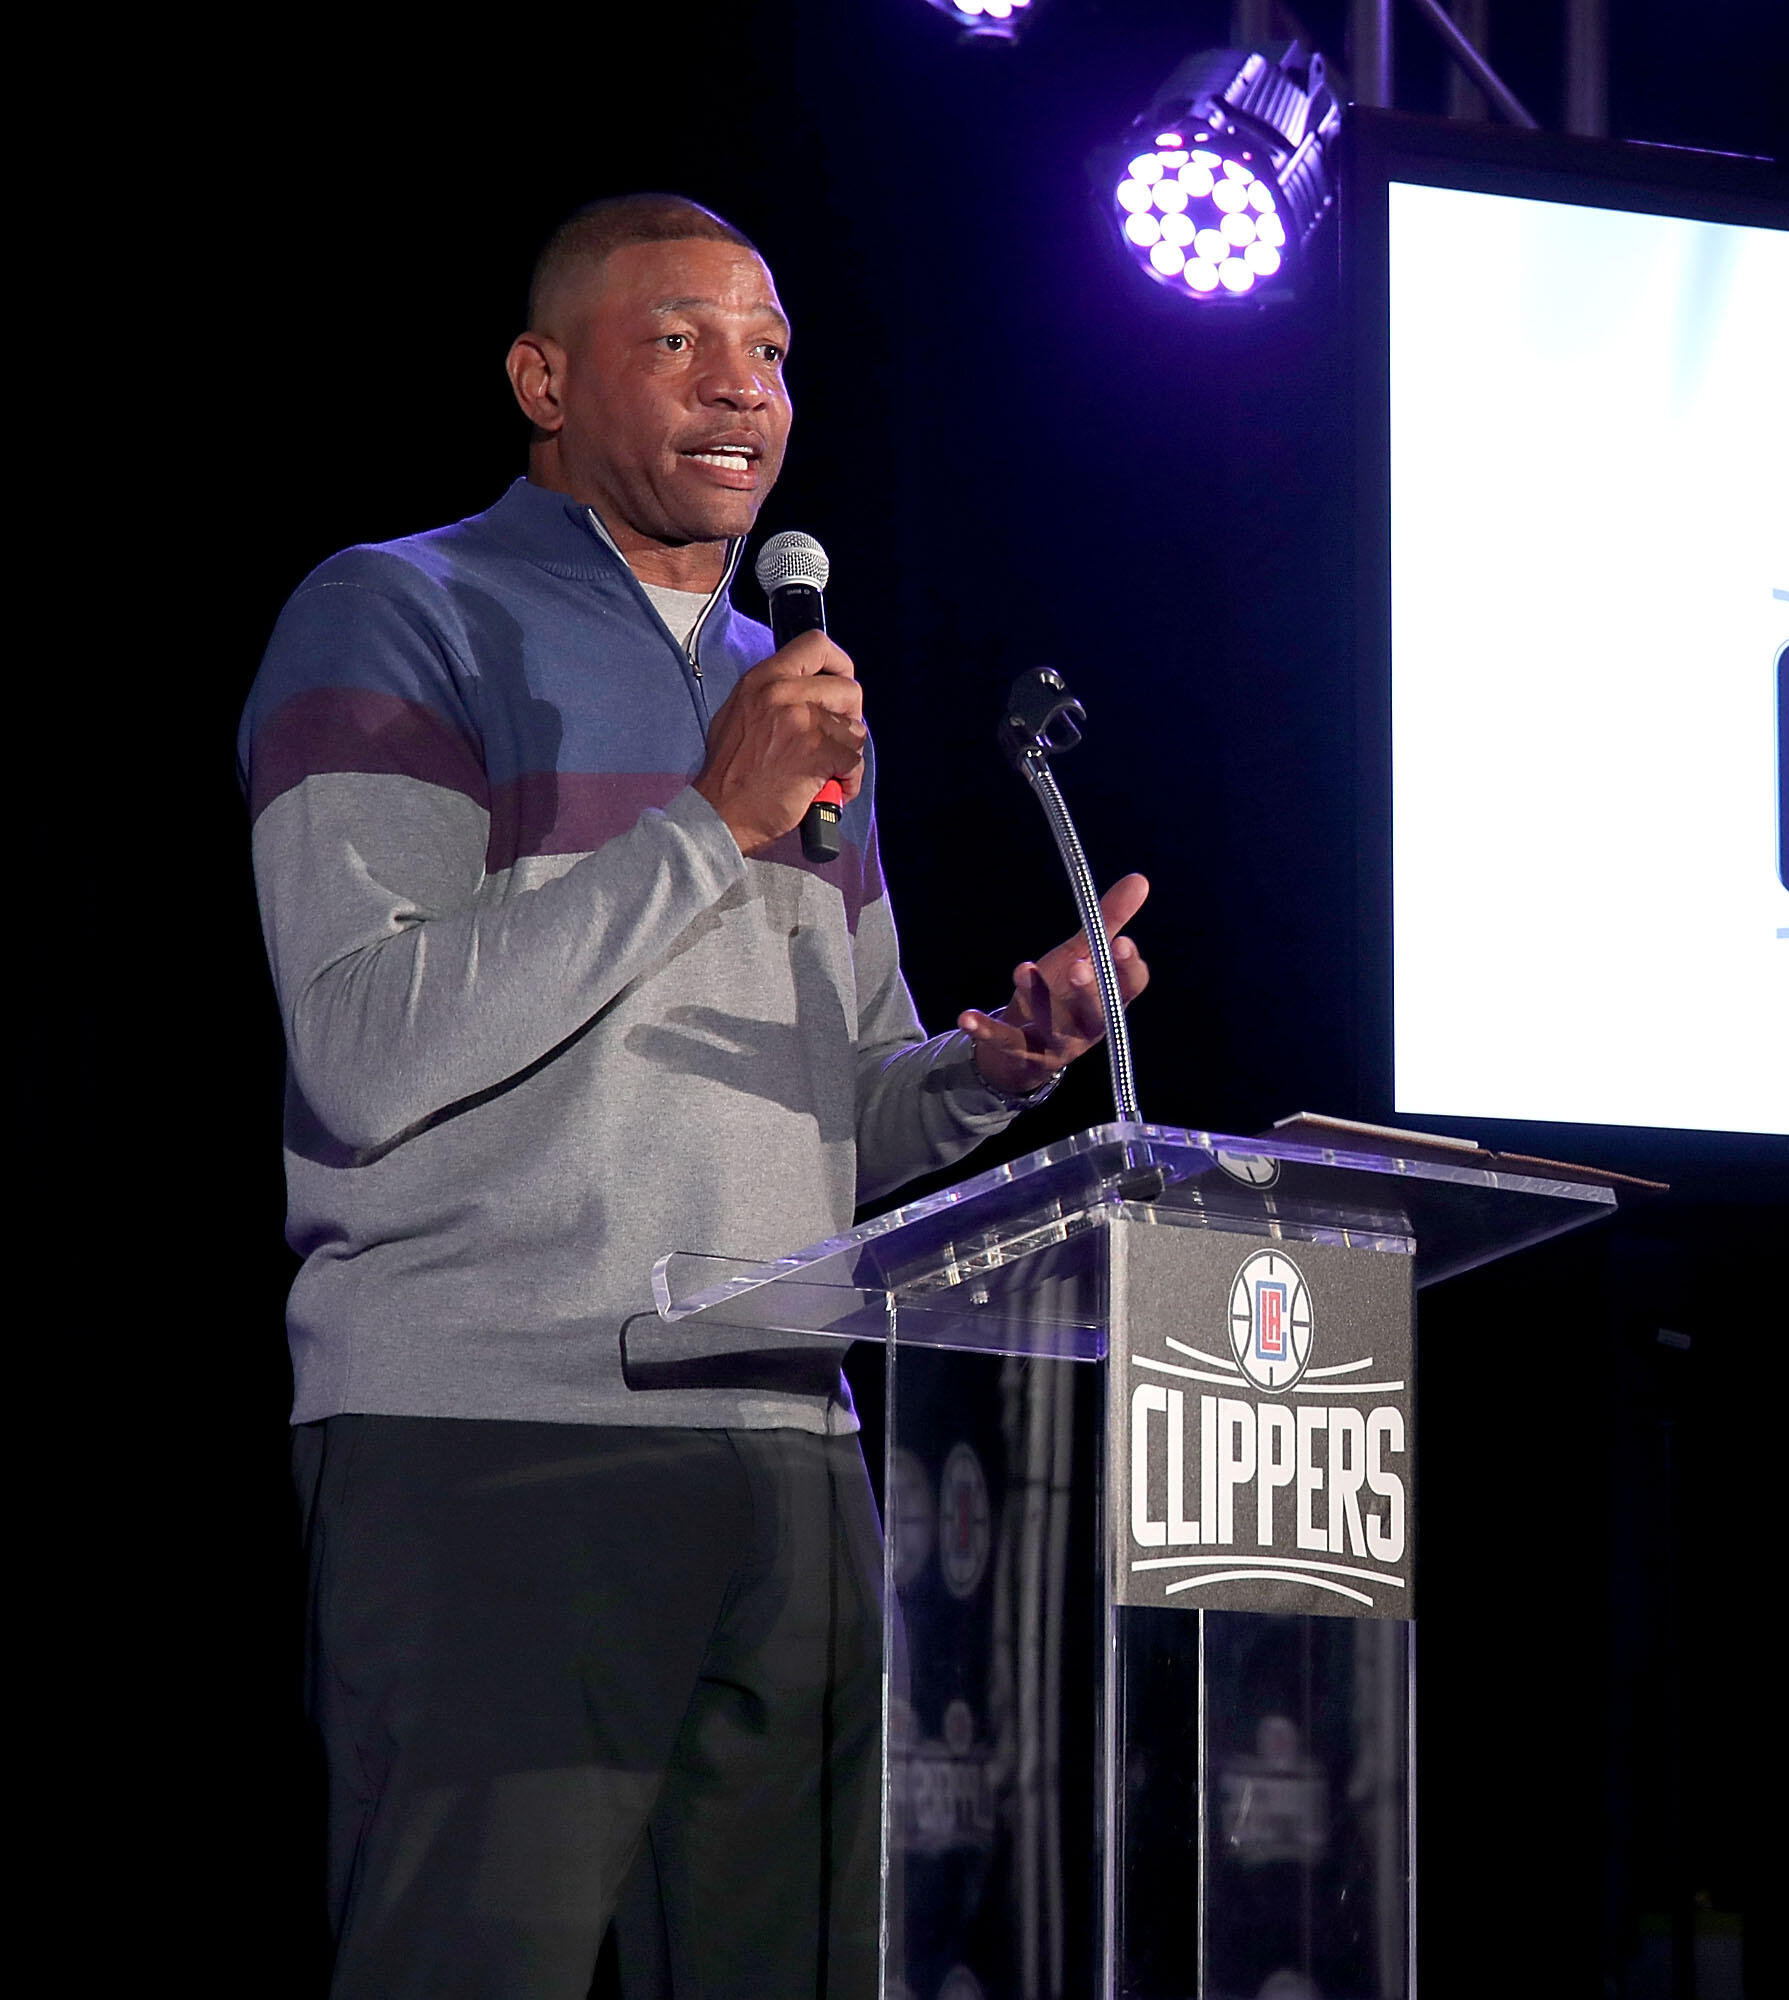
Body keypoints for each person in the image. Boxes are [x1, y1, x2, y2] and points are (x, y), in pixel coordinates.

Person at [237, 193, 1147, 1997]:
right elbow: (366, 1040)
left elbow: (850, 1115)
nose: (747, 388)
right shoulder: (399, 612)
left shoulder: (792, 701)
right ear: (542, 378)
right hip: (490, 1440)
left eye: (774, 350)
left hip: (790, 1449)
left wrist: (991, 1064)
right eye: (682, 341)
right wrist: (707, 821)